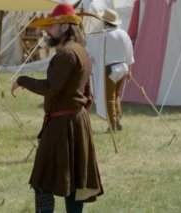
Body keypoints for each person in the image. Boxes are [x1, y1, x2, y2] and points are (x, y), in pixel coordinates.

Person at [11, 3, 103, 212]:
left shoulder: (66, 55)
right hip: (75, 121)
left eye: (52, 25)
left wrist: (23, 80)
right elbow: (88, 92)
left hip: (63, 124)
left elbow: (51, 88)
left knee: (43, 183)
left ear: (64, 27)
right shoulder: (81, 51)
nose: (47, 30)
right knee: (75, 184)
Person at [100, 9, 135, 131]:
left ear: (105, 22)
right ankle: (117, 120)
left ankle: (113, 124)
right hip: (123, 68)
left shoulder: (103, 35)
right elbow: (130, 53)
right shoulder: (124, 34)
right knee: (116, 96)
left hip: (110, 69)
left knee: (109, 97)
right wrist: (129, 70)